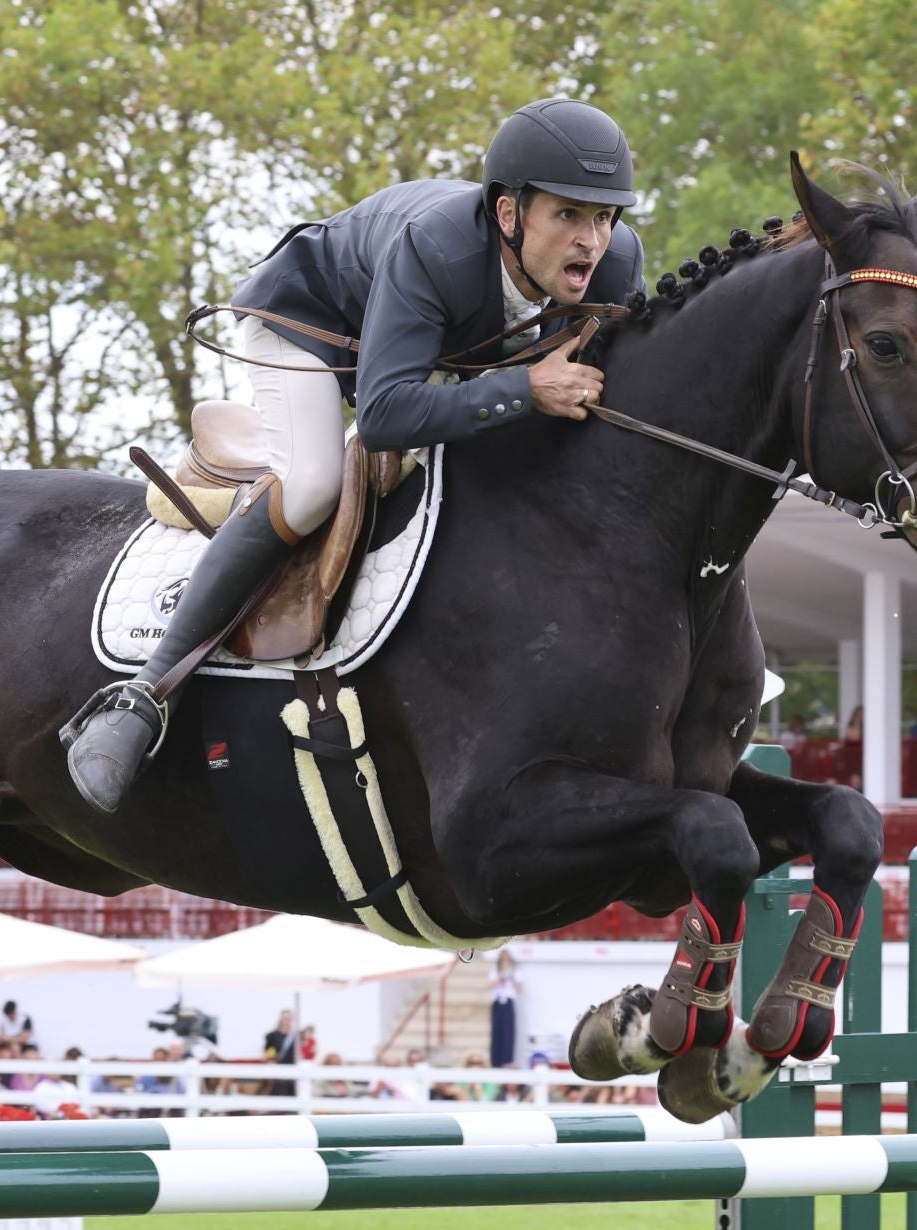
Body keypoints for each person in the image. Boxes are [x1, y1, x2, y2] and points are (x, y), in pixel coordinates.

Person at [61, 96, 647, 813]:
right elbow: (385, 413)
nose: (593, 240)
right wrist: (523, 386)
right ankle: (140, 695)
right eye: (568, 215)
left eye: (605, 216)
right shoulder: (438, 248)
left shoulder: (618, 266)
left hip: (432, 345)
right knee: (312, 483)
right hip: (310, 323)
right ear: (508, 215)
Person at [489, 951, 521, 1069]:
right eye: (503, 960)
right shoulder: (495, 971)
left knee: (508, 1033)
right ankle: (495, 1061)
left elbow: (519, 989)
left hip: (508, 1002)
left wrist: (511, 977)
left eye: (507, 960)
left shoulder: (515, 971)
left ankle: (507, 1061)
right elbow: (491, 985)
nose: (505, 962)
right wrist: (501, 976)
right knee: (496, 1031)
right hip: (497, 1002)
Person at [262, 1009, 297, 1097]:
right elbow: (269, 1054)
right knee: (280, 1083)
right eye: (285, 1018)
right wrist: (271, 1061)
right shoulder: (272, 1036)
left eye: (289, 1018)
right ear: (280, 1019)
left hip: (293, 1069)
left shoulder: (297, 1037)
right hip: (278, 1068)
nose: (287, 1021)